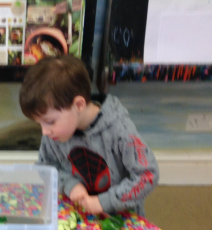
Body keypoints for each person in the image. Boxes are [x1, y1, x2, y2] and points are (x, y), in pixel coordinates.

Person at [19, 54, 158, 216]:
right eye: (39, 123)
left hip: (120, 217)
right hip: (77, 214)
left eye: (49, 122)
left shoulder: (120, 130)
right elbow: (45, 166)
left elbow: (147, 175)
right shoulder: (54, 134)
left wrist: (103, 202)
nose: (44, 131)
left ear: (78, 105)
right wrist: (70, 185)